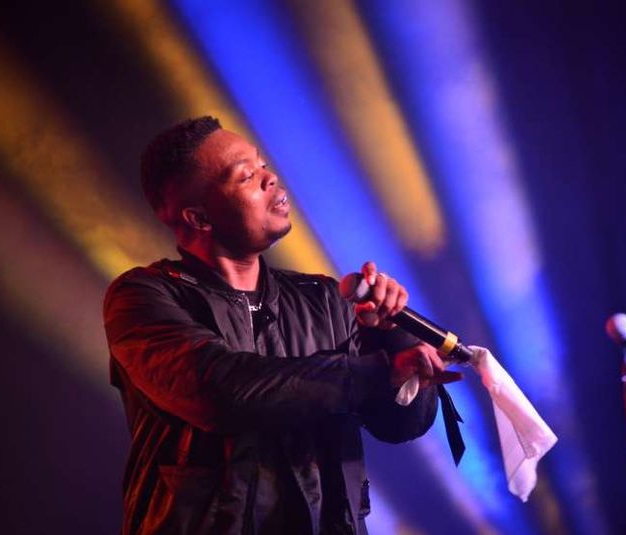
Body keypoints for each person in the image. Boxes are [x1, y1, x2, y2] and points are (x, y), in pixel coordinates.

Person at [103, 116, 463, 535]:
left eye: (262, 164)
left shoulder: (323, 298)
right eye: (246, 176)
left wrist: (391, 335)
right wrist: (375, 372)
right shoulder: (143, 297)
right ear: (198, 218)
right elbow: (220, 391)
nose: (269, 177)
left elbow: (400, 426)